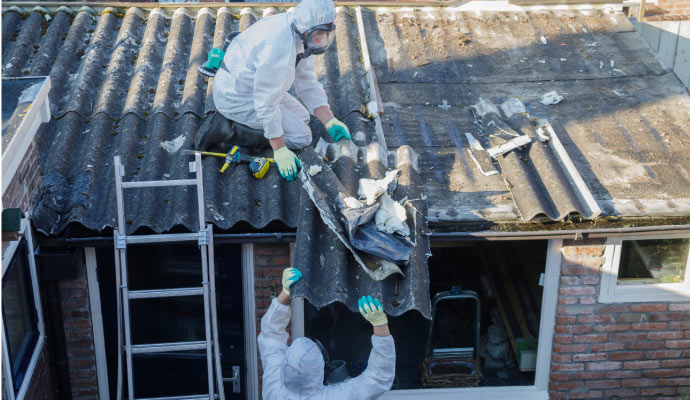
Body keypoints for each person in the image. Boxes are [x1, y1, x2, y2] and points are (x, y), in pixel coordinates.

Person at [195, 0, 352, 182]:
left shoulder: (299, 32)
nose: (321, 40)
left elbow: (307, 82)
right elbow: (266, 103)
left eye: (326, 33)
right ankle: (227, 128)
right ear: (307, 28)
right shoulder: (278, 48)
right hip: (236, 96)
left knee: (303, 117)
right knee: (302, 137)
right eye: (319, 33)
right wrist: (279, 148)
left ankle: (249, 127)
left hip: (249, 85)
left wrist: (329, 120)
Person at [258, 267, 395, 399]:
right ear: (320, 369)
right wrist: (380, 325)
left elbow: (270, 336)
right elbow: (379, 378)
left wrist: (285, 294)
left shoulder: (274, 389)